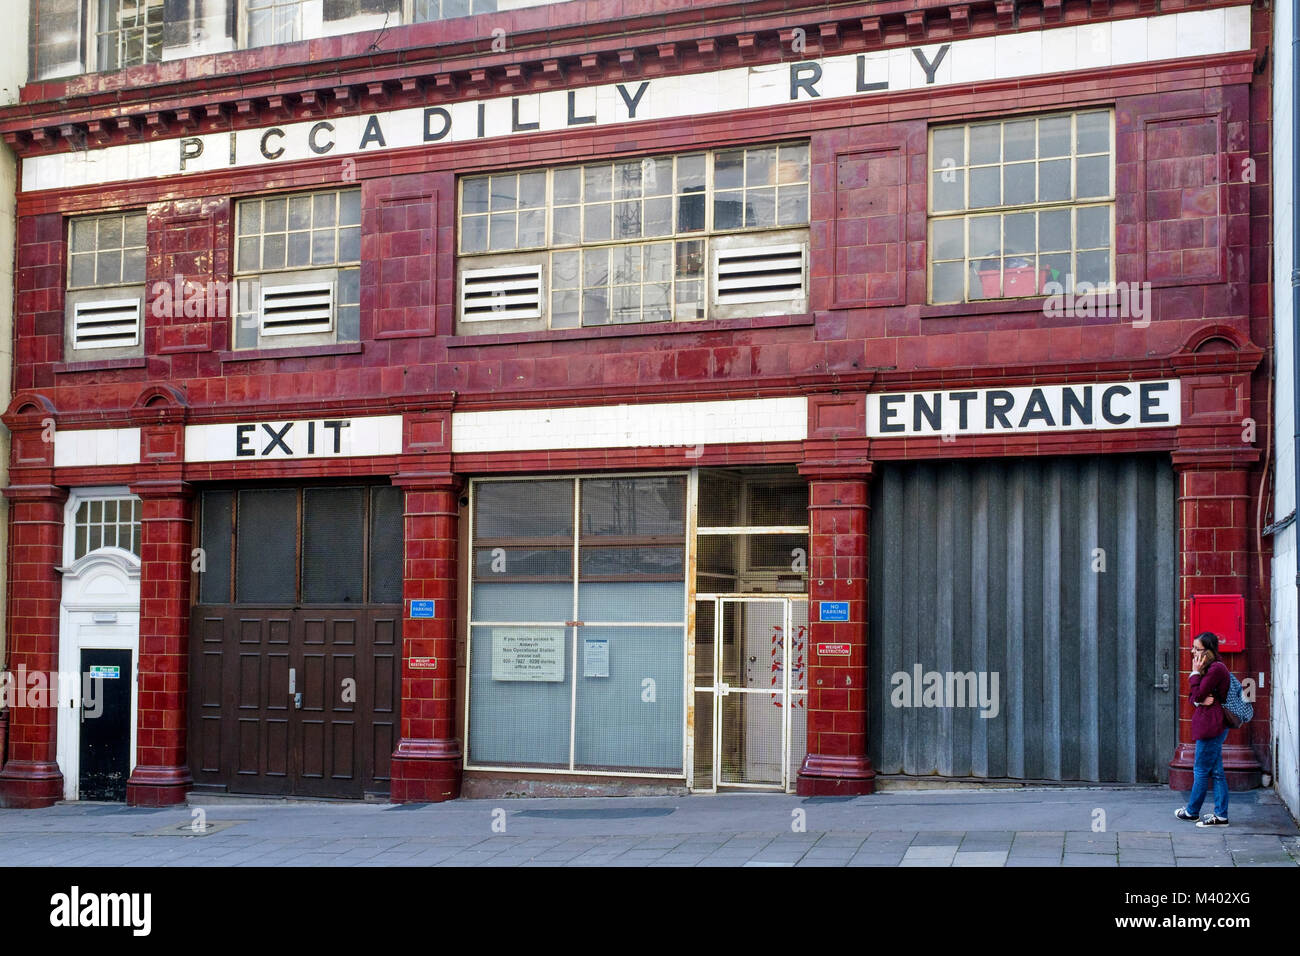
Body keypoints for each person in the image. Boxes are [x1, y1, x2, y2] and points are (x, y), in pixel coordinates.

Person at [1174, 631, 1230, 827]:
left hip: (1212, 726)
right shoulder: (1209, 668)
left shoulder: (1215, 670)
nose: (1192, 652)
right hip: (1211, 724)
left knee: (1200, 769)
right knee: (1216, 772)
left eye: (1197, 649)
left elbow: (1197, 694)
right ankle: (1221, 815)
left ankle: (1192, 811)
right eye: (1193, 648)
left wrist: (1195, 674)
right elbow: (1193, 697)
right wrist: (1199, 697)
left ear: (1208, 650)